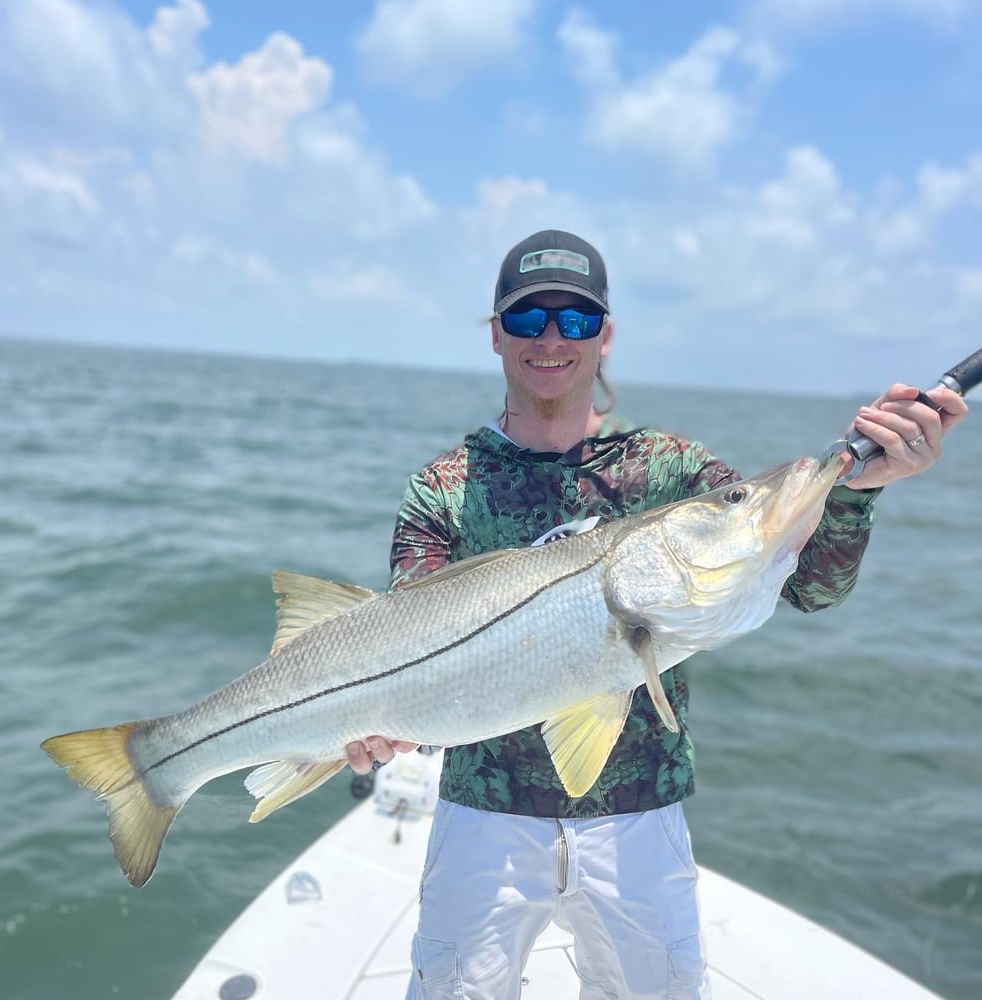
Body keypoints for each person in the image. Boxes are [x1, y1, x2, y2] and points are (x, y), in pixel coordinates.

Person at [344, 230, 968, 999]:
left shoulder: (671, 470)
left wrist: (859, 491)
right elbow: (406, 641)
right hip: (484, 813)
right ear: (496, 332)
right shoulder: (443, 488)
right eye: (529, 318)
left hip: (639, 814)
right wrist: (374, 718)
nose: (551, 339)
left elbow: (806, 586)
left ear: (604, 335)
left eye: (574, 321)